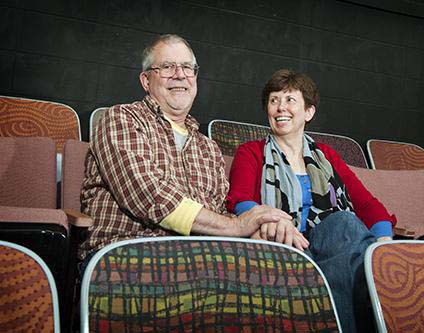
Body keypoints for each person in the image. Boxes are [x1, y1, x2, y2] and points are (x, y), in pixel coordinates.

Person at [79, 34, 289, 263]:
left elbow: (218, 214)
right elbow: (149, 195)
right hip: (129, 252)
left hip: (202, 257)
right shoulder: (122, 119)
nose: (180, 75)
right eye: (167, 66)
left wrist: (255, 229)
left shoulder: (208, 147)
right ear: (146, 80)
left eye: (187, 67)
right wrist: (237, 225)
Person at [226, 69, 396, 332]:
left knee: (345, 226)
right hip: (285, 244)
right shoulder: (252, 151)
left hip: (336, 245)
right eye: (274, 100)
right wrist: (271, 219)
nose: (280, 107)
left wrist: (383, 246)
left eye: (290, 99)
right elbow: (241, 201)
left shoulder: (327, 156)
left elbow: (368, 206)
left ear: (309, 112)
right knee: (345, 230)